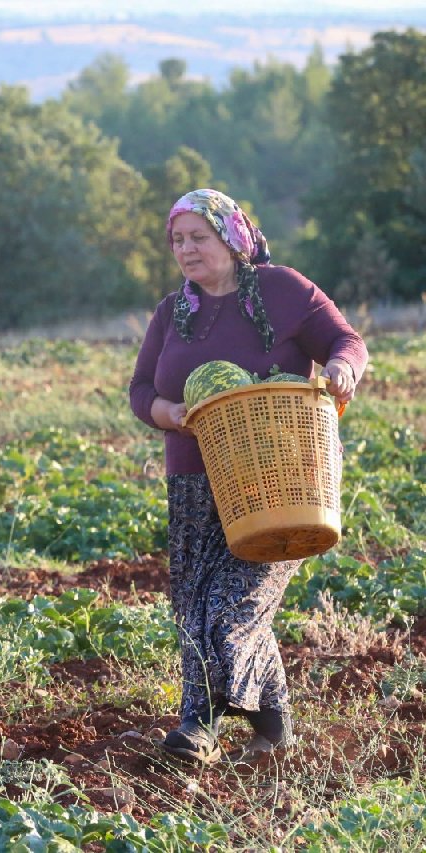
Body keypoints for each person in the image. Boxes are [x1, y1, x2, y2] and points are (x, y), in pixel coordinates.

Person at [129, 188, 366, 764]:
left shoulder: (283, 290)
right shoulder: (171, 313)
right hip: (194, 477)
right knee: (195, 605)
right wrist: (170, 414)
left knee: (233, 606)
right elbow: (141, 392)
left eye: (198, 238)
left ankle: (201, 722)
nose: (186, 250)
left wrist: (340, 367)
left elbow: (345, 341)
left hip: (281, 476)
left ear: (231, 238)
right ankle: (271, 724)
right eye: (177, 240)